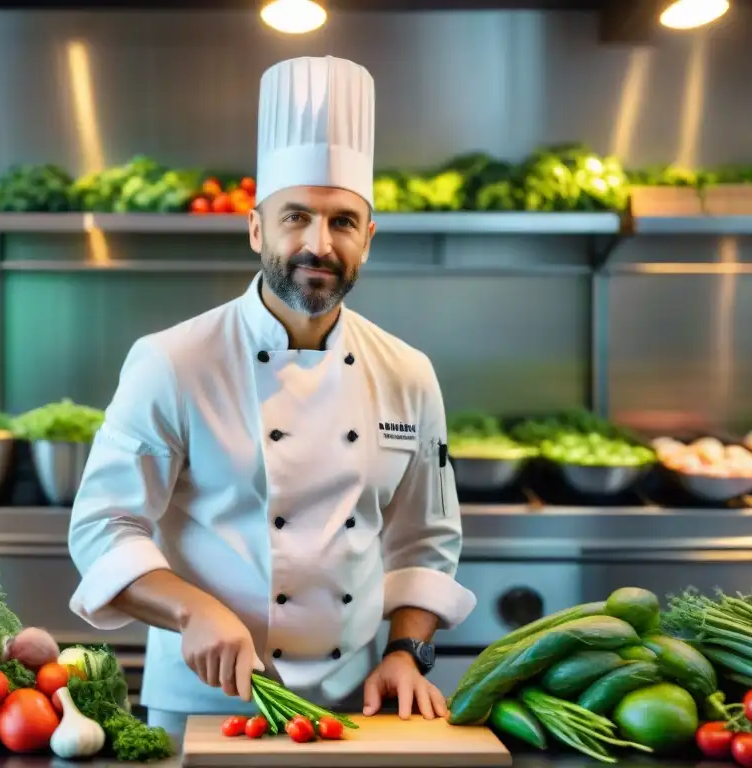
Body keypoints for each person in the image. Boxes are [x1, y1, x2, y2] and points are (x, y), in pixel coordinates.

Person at [67, 55, 476, 748]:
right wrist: (192, 609)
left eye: (343, 221)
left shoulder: (408, 373)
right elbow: (103, 527)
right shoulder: (173, 361)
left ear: (367, 240)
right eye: (297, 218)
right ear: (257, 230)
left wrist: (408, 652)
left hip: (355, 709)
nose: (318, 244)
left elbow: (425, 541)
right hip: (203, 707)